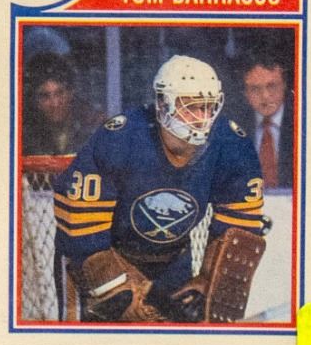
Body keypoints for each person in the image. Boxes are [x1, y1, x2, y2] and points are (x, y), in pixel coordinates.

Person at [51, 53, 267, 325]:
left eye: (208, 107)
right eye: (191, 107)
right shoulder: (121, 138)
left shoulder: (232, 144)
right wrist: (116, 289)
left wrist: (207, 281)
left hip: (171, 260)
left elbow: (240, 231)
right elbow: (81, 229)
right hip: (103, 255)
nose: (202, 118)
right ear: (163, 104)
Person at [23, 54, 101, 158]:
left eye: (60, 93)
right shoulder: (25, 136)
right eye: (45, 96)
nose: (55, 104)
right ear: (35, 100)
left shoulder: (92, 126)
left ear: (71, 93)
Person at [241, 57, 294, 190]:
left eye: (272, 86)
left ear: (284, 86)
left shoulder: (300, 121)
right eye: (255, 89)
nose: (265, 96)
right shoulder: (234, 126)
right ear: (245, 93)